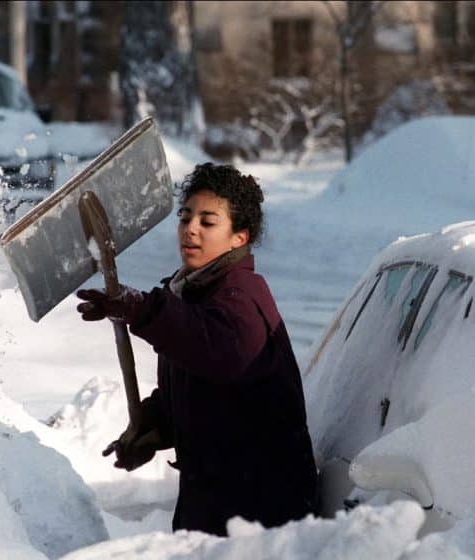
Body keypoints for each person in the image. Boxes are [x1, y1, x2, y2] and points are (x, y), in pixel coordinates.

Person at [76, 162, 317, 535]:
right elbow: (200, 389)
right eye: (185, 217)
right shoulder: (194, 293)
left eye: (208, 222)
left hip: (259, 517)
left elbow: (212, 349)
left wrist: (139, 307)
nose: (190, 229)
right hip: (219, 501)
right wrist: (153, 426)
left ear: (239, 237)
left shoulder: (240, 298)